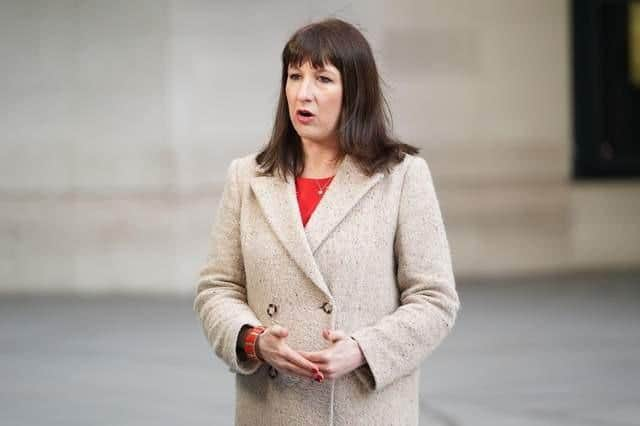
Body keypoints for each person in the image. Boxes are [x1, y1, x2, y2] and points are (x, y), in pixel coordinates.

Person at [193, 17, 461, 426]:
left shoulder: (401, 176)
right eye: (295, 75)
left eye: (323, 79)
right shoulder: (247, 177)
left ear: (354, 91)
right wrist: (253, 340)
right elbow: (218, 288)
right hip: (271, 407)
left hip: (363, 409)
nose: (304, 93)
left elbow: (435, 300)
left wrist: (363, 349)